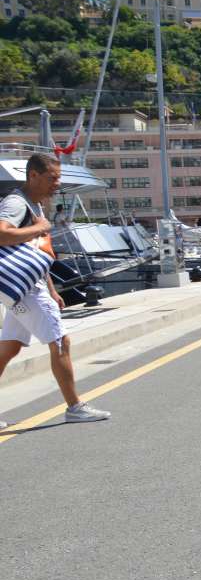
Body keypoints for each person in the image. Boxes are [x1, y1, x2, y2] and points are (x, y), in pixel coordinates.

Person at [0, 153, 109, 428]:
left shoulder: (35, 205)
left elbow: (35, 254)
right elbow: (2, 233)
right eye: (52, 178)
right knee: (61, 341)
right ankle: (75, 407)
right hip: (24, 291)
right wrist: (39, 227)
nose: (57, 184)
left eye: (58, 178)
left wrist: (52, 289)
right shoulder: (17, 203)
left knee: (9, 349)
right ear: (33, 175)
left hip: (31, 286)